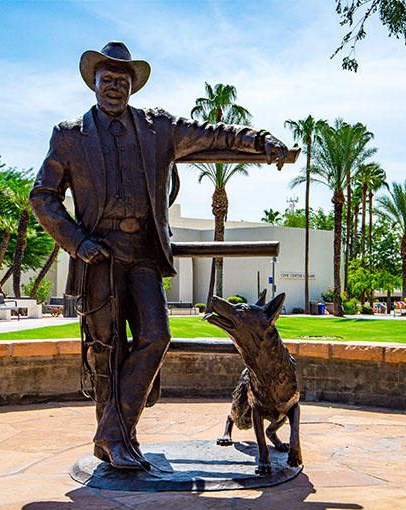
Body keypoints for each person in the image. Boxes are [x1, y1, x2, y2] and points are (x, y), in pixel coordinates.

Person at [30, 42, 288, 470]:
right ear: (93, 83)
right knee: (106, 349)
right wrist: (77, 242)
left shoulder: (158, 128)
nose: (114, 87)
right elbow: (43, 197)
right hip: (99, 254)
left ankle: (111, 435)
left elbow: (214, 134)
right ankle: (118, 443)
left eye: (122, 80)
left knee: (156, 334)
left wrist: (260, 141)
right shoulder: (69, 135)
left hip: (144, 251)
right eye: (107, 79)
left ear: (133, 86)